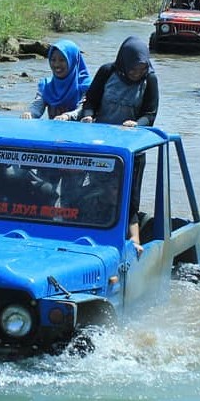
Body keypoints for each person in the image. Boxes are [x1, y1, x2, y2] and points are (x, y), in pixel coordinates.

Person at [71, 36, 159, 252]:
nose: (137, 74)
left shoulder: (150, 80)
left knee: (128, 197)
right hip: (101, 145)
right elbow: (90, 101)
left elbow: (150, 113)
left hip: (130, 149)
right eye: (133, 70)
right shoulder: (107, 72)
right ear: (124, 62)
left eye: (141, 69)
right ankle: (87, 234)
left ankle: (135, 243)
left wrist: (137, 124)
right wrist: (88, 116)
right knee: (93, 191)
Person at [21, 39, 91, 120]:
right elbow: (37, 106)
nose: (57, 65)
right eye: (53, 60)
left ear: (73, 61)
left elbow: (83, 109)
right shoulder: (46, 85)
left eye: (62, 60)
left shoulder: (86, 85)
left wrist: (67, 116)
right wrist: (30, 113)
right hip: (53, 130)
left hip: (78, 130)